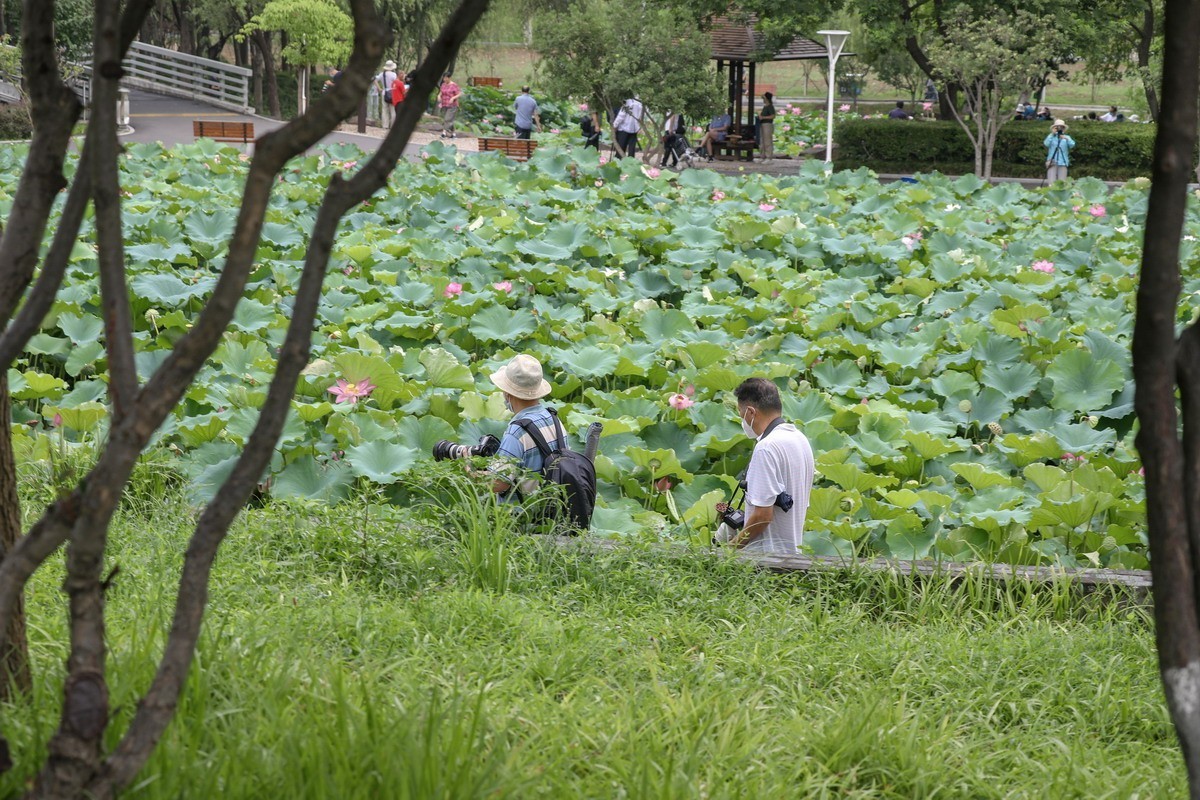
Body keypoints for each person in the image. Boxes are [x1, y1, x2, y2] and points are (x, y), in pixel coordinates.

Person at [725, 378, 814, 553]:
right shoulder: (800, 439)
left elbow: (763, 516)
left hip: (767, 561)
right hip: (793, 556)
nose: (742, 420)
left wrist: (730, 549)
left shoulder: (766, 448)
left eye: (741, 414)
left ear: (750, 412)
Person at [488, 354, 560, 500]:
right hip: (552, 511)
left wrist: (470, 470)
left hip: (521, 518)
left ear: (508, 394)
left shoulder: (516, 432)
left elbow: (498, 484)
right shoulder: (553, 418)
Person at [438, 73, 462, 139]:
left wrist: (453, 98)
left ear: (449, 78)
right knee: (449, 120)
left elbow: (459, 93)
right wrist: (439, 96)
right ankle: (453, 134)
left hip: (452, 105)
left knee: (447, 119)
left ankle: (443, 133)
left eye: (446, 78)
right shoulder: (443, 84)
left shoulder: (454, 85)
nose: (444, 79)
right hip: (444, 104)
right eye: (444, 78)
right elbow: (441, 92)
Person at [375, 60, 399, 126]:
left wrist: (379, 88)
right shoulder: (394, 75)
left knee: (384, 110)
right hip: (393, 93)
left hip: (384, 93)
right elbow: (396, 84)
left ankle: (385, 125)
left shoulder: (382, 74)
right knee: (393, 110)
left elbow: (375, 80)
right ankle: (392, 125)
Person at [758, 91, 776, 161]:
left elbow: (773, 116)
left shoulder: (770, 106)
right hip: (762, 124)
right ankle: (763, 156)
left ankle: (769, 157)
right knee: (762, 141)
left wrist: (763, 117)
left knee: (767, 141)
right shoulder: (765, 106)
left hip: (767, 125)